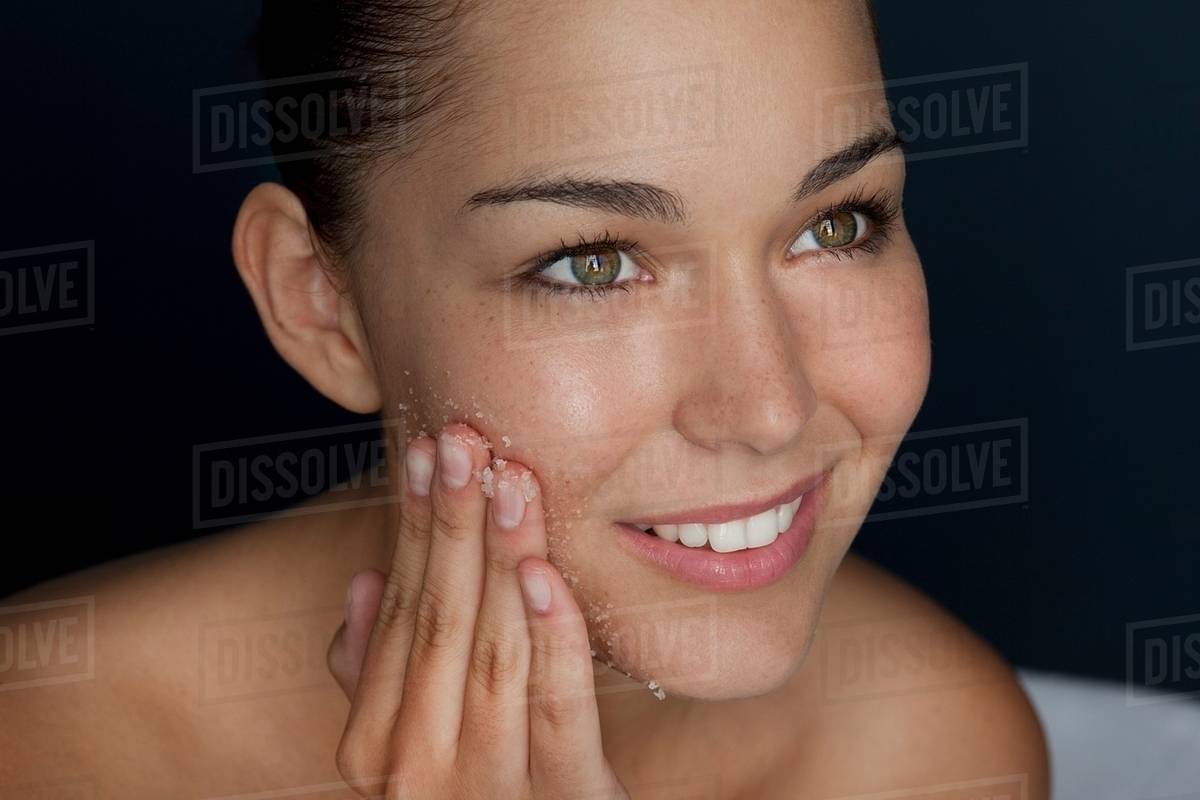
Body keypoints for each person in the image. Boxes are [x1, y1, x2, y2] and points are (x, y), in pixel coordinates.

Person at [0, 1, 1049, 797]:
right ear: (322, 303)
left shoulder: (927, 750)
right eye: (591, 264)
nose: (769, 405)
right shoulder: (36, 748)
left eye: (838, 225)